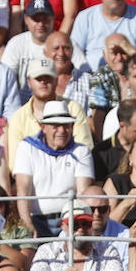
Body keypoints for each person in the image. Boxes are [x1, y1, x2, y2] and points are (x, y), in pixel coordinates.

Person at [13, 100, 93, 237]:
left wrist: (76, 227)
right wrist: (27, 224)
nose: (61, 131)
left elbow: (82, 193)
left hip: (70, 222)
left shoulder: (82, 151)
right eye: (55, 126)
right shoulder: (26, 148)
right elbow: (23, 189)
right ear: (43, 127)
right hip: (36, 219)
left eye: (66, 126)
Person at [6, 57, 92, 169]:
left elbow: (84, 150)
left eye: (48, 78)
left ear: (56, 80)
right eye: (38, 78)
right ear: (29, 82)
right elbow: (15, 164)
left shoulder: (73, 108)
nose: (43, 82)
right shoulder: (18, 117)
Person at [25, 201, 124, 271]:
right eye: (75, 225)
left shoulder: (108, 251)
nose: (81, 229)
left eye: (86, 224)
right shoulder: (47, 250)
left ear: (92, 224)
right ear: (63, 226)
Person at [71, 0, 136, 72]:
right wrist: (88, 74)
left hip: (130, 78)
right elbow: (75, 51)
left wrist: (127, 47)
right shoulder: (85, 17)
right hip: (91, 79)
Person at [0, 0, 52, 91]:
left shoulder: (63, 44)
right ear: (26, 19)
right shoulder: (15, 44)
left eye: (45, 19)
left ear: (52, 19)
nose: (41, 24)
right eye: (36, 19)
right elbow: (6, 80)